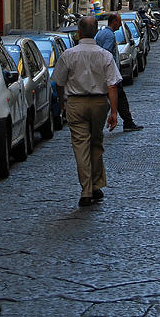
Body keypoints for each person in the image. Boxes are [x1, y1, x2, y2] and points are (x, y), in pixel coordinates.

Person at [52, 16, 120, 207]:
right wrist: (114, 112)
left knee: (81, 146)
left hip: (76, 103)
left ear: (79, 33)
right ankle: (96, 185)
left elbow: (59, 82)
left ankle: (86, 191)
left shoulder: (68, 54)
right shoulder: (104, 55)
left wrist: (63, 103)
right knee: (96, 143)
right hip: (99, 103)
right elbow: (112, 85)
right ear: (96, 31)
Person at [95, 13, 143, 132]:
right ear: (114, 22)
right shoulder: (110, 36)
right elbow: (106, 54)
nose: (120, 25)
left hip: (104, 73)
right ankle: (127, 122)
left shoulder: (101, 33)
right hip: (111, 73)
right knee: (120, 97)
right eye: (119, 22)